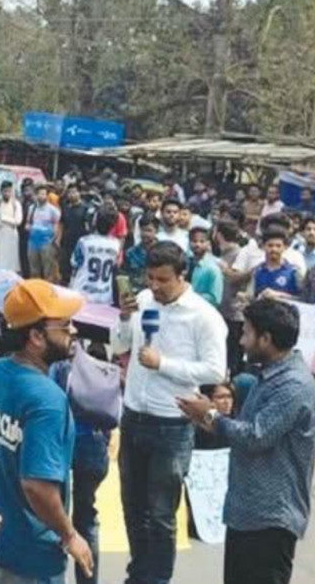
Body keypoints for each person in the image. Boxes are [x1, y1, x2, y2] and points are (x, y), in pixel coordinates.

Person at [177, 298, 315, 584]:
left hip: (271, 519)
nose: (241, 341)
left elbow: (256, 436)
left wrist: (212, 416)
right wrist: (207, 418)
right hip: (247, 512)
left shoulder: (293, 385)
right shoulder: (267, 376)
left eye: (247, 333)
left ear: (266, 339)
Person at [0, 279, 94, 583]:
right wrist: (70, 535)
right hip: (32, 555)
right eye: (64, 326)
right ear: (36, 336)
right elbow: (37, 486)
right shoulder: (47, 400)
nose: (73, 331)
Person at [113, 242, 226, 584]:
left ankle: (156, 579)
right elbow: (120, 346)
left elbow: (214, 371)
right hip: (133, 417)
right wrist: (122, 319)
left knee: (161, 514)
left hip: (172, 426)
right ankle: (140, 572)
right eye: (150, 278)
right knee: (132, 507)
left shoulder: (204, 316)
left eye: (163, 279)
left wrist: (164, 364)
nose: (155, 286)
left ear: (182, 276)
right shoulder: (144, 302)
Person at [69, 206, 121, 305]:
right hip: (104, 295)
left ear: (95, 221)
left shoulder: (84, 241)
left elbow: (74, 263)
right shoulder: (116, 244)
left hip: (83, 292)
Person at [25, 185, 62, 281]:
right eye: (40, 194)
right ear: (36, 195)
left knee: (48, 269)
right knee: (33, 268)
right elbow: (28, 222)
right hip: (33, 241)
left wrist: (54, 238)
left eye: (44, 194)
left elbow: (57, 224)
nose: (42, 196)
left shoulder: (53, 210)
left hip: (46, 242)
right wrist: (28, 227)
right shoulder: (32, 208)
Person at [253, 227, 300, 298]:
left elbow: (302, 299)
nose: (274, 249)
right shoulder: (257, 270)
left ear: (285, 247)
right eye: (270, 245)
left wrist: (279, 295)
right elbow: (251, 296)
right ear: (263, 246)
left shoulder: (294, 271)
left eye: (278, 246)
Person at [0, 181, 23, 272]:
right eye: (5, 191)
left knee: (11, 262)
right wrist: (10, 220)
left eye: (9, 191)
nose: (7, 193)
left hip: (12, 235)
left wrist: (4, 218)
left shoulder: (16, 204)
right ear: (1, 191)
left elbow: (18, 221)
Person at [188, 226, 223, 308]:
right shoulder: (186, 262)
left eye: (202, 241)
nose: (197, 244)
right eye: (194, 241)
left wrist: (190, 296)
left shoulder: (212, 268)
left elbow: (215, 298)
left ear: (208, 244)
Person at [123, 214, 158, 295]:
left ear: (156, 231)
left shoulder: (164, 252)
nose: (145, 234)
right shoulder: (130, 253)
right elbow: (124, 277)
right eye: (142, 230)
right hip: (136, 295)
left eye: (149, 230)